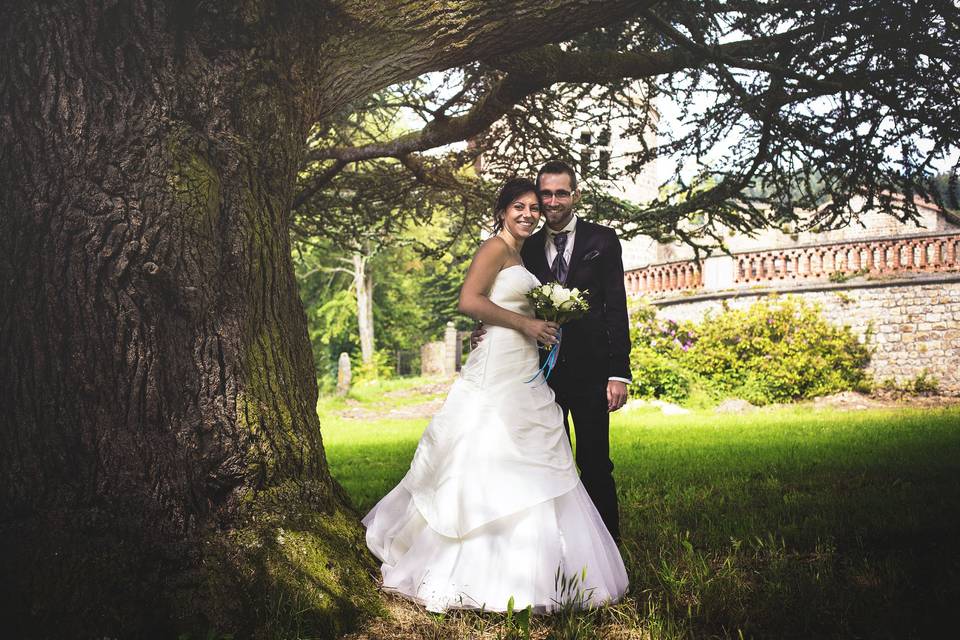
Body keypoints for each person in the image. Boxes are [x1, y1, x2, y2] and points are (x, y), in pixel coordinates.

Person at [363, 178, 628, 613]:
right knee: (486, 450)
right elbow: (469, 300)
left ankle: (546, 562)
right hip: (500, 367)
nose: (529, 213)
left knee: (539, 456)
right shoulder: (495, 247)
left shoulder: (523, 251)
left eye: (533, 208)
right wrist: (523, 325)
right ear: (503, 210)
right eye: (519, 207)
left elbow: (499, 301)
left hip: (526, 364)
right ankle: (466, 565)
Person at [472, 160, 631, 542]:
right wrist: (485, 327)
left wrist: (618, 371)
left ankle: (607, 543)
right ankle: (557, 542)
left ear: (575, 195)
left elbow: (616, 306)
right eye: (546, 194)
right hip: (539, 372)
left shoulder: (602, 240)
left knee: (595, 463)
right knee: (548, 461)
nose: (553, 201)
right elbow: (502, 297)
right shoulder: (524, 246)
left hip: (593, 372)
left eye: (561, 193)